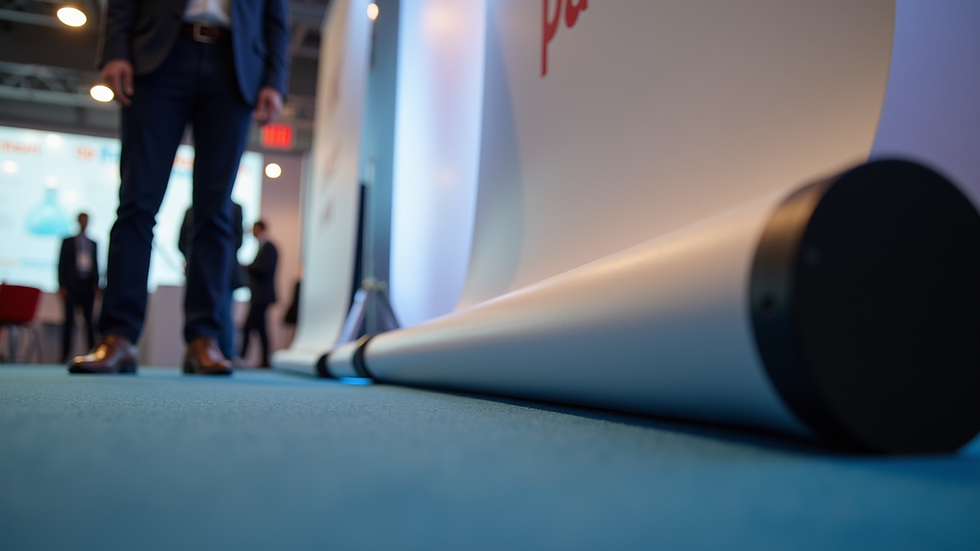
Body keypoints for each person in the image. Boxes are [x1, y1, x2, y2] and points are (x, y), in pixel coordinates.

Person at [68, 0, 289, 375]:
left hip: (235, 65)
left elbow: (276, 15)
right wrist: (116, 48)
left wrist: (275, 78)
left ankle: (204, 338)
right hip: (159, 54)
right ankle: (119, 336)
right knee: (137, 202)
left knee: (216, 211)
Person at [178, 201, 245, 361]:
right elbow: (181, 242)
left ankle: (226, 356)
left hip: (226, 271)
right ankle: (198, 352)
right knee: (205, 309)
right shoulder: (190, 210)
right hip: (199, 271)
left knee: (224, 312)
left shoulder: (235, 208)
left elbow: (237, 241)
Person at [58, 212, 100, 362]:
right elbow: (61, 264)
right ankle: (64, 355)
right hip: (71, 286)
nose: (84, 222)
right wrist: (62, 285)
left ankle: (93, 355)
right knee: (68, 321)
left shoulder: (93, 243)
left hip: (87, 287)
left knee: (90, 322)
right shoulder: (68, 241)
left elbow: (95, 265)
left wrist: (97, 284)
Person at [241, 220, 277, 368]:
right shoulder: (263, 246)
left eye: (253, 229)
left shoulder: (269, 246)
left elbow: (265, 270)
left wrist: (248, 267)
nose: (252, 232)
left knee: (249, 327)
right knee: (260, 329)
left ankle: (241, 357)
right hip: (258, 296)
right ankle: (265, 360)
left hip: (262, 296)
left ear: (259, 229)